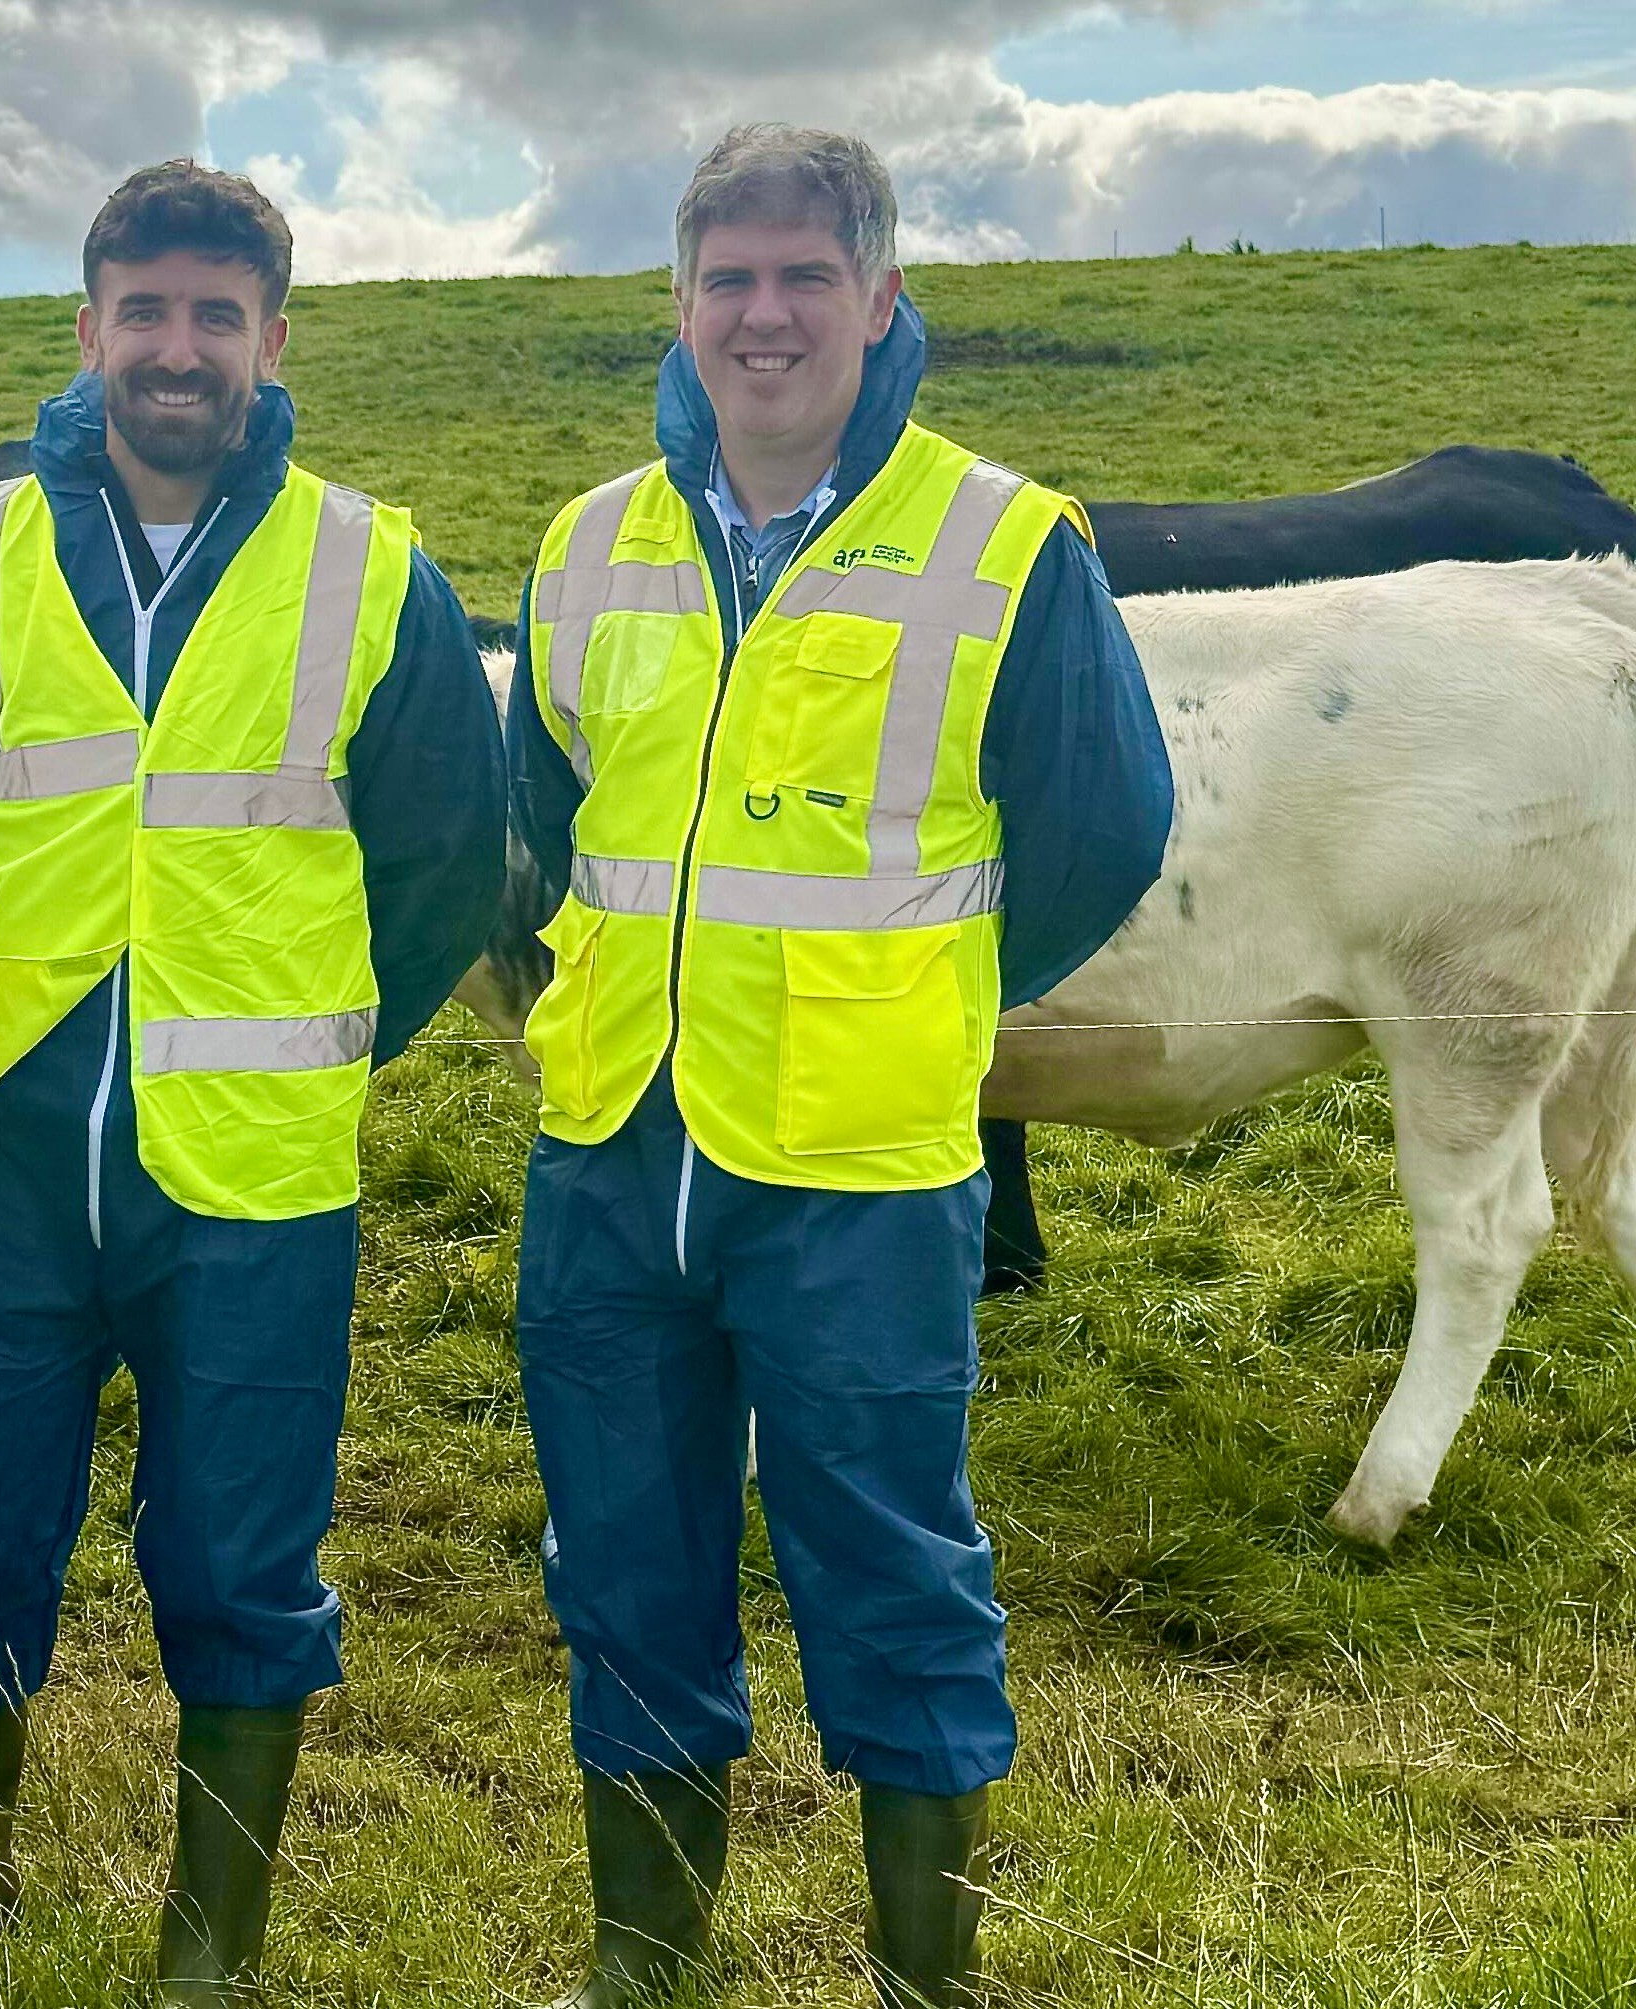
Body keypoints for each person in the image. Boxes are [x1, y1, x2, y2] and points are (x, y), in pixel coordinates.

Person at [506, 127, 1171, 2008]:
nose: (766, 314)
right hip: (616, 1145)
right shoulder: (589, 543)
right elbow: (550, 811)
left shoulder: (1007, 544)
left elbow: (1100, 833)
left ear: (882, 301)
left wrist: (921, 992)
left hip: (862, 1166)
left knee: (890, 1564)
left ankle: (922, 1980)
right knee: (621, 1562)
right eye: (730, 279)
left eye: (808, 276)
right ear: (681, 302)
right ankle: (651, 1971)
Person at [0, 160, 506, 2000]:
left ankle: (208, 1953)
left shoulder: (373, 566)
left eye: (217, 315)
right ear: (89, 332)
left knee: (241, 1551)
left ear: (273, 342)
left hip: (254, 1155)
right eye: (144, 312)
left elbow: (451, 857)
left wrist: (320, 1023)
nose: (178, 348)